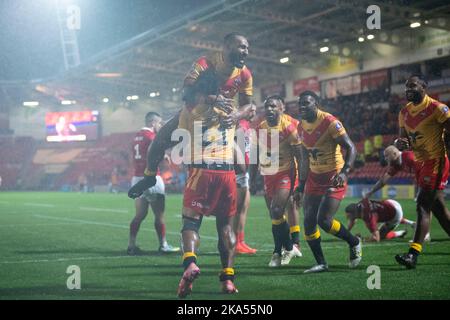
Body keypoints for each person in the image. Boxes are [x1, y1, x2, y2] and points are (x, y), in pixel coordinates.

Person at [128, 33, 254, 199]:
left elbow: (249, 105)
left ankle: (236, 185)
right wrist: (212, 98)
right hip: (192, 114)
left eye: (247, 48)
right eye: (242, 47)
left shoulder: (245, 74)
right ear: (227, 47)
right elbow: (186, 91)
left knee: (241, 167)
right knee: (158, 142)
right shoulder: (205, 63)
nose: (246, 52)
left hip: (219, 120)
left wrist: (237, 115)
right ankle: (150, 177)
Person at [294, 91, 362, 273]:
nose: (302, 107)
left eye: (306, 103)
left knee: (324, 220)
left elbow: (351, 147)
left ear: (316, 103)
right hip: (314, 177)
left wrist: (345, 172)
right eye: (300, 104)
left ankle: (354, 241)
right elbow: (304, 159)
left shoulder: (330, 122)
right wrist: (300, 186)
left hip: (334, 176)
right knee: (308, 222)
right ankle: (321, 263)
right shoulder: (300, 127)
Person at [392, 74, 450, 269]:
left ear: (424, 87)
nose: (408, 89)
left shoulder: (437, 109)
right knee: (439, 210)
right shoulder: (404, 112)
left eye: (413, 86)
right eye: (407, 86)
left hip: (436, 161)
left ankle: (413, 255)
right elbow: (402, 140)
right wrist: (400, 143)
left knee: (422, 205)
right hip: (420, 162)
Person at [250, 95, 302, 267]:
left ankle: (290, 245)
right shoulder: (259, 129)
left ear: (282, 108)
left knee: (279, 208)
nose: (269, 109)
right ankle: (280, 250)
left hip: (285, 173)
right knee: (275, 215)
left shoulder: (289, 127)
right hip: (268, 174)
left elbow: (300, 157)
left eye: (273, 106)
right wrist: (251, 179)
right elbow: (255, 155)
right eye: (267, 107)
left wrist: (301, 183)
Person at [127, 112, 180, 255]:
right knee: (159, 215)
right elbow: (154, 150)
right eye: (159, 123)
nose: (160, 126)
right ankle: (163, 245)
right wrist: (164, 156)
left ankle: (131, 245)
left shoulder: (135, 137)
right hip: (152, 178)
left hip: (137, 179)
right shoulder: (151, 137)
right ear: (152, 123)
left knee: (140, 214)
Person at [362, 145, 431, 241]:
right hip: (426, 178)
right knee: (435, 208)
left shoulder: (409, 157)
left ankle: (424, 235)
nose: (385, 159)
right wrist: (371, 192)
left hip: (432, 174)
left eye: (387, 156)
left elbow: (424, 170)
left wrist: (419, 188)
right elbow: (383, 180)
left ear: (395, 153)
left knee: (423, 206)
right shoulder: (396, 165)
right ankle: (423, 233)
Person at [234, 106, 258, 255]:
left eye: (254, 110)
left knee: (243, 209)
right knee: (236, 209)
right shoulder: (238, 125)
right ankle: (234, 242)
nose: (253, 113)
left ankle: (240, 242)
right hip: (236, 173)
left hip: (244, 173)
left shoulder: (247, 126)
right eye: (251, 110)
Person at [345, 198, 415, 242]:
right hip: (390, 202)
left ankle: (400, 233)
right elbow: (353, 220)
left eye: (349, 216)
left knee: (381, 236)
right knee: (385, 214)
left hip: (395, 214)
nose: (348, 218)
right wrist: (346, 233)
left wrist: (361, 240)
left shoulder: (369, 218)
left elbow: (376, 238)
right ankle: (411, 223)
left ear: (355, 214)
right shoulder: (359, 205)